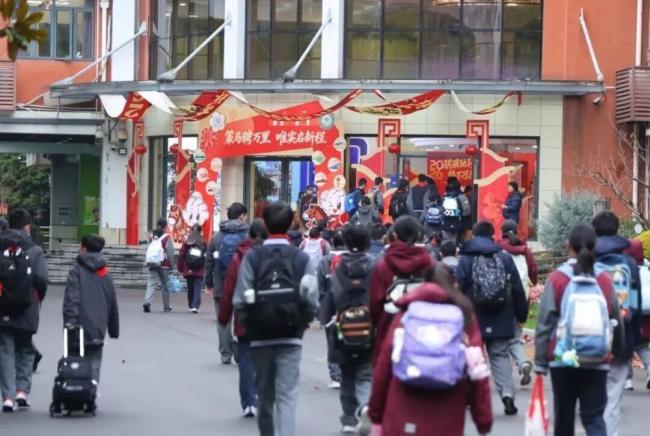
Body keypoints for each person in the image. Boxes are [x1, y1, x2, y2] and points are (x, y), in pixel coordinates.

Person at [366, 265, 493, 436]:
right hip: (447, 417)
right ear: (454, 284)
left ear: (424, 283)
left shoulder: (407, 314)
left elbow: (384, 367)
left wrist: (375, 414)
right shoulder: (463, 316)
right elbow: (477, 372)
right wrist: (483, 420)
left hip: (402, 415)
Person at [233, 201, 319, 436]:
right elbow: (312, 297)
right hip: (291, 335)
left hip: (260, 336)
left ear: (265, 224)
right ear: (291, 222)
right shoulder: (300, 258)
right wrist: (304, 320)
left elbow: (240, 299)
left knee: (265, 396)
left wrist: (249, 321)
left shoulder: (253, 257)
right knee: (287, 395)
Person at [535, 223, 624, 436]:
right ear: (595, 246)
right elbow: (615, 317)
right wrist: (617, 350)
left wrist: (540, 361)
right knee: (594, 418)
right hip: (596, 358)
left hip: (562, 359)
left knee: (564, 420)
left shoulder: (558, 278)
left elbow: (545, 322)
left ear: (568, 245)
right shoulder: (604, 279)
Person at [455, 221, 528, 416]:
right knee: (500, 355)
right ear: (492, 235)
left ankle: (470, 396)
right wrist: (521, 314)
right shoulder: (504, 258)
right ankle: (507, 393)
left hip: (473, 318)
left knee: (472, 356)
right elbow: (517, 289)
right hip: (501, 315)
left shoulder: (466, 259)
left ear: (474, 235)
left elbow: (458, 288)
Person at [319, 225, 375, 433]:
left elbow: (329, 299)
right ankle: (365, 406)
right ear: (368, 243)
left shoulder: (338, 269)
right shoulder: (375, 268)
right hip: (369, 329)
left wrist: (325, 318)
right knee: (366, 373)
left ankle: (349, 419)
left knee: (347, 375)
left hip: (344, 329)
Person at [591, 212, 642, 436]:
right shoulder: (629, 263)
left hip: (589, 337)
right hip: (621, 336)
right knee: (612, 399)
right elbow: (636, 304)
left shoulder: (586, 262)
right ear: (617, 229)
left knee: (591, 396)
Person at [219, 219, 268, 418]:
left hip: (245, 316)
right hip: (269, 316)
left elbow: (229, 289)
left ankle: (249, 401)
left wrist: (224, 316)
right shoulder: (272, 255)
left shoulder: (239, 257)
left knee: (246, 359)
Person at [0, 208, 48, 412]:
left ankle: (7, 397)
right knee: (26, 349)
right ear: (27, 227)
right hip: (28, 307)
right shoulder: (34, 250)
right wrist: (36, 299)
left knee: (5, 350)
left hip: (3, 306)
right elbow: (41, 280)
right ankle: (22, 392)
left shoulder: (2, 246)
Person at [369, 215, 433, 364]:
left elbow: (375, 303)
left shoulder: (383, 265)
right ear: (419, 235)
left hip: (390, 327)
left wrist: (377, 325)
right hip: (423, 329)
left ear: (394, 235)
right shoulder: (429, 264)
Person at [62, 234, 119, 385]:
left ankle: (75, 388)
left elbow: (72, 299)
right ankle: (91, 390)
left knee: (75, 359)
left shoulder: (76, 271)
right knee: (94, 361)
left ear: (84, 248)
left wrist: (69, 321)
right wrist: (113, 329)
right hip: (98, 326)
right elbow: (112, 303)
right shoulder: (105, 273)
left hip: (77, 326)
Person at [205, 202, 249, 365]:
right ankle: (240, 348)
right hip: (243, 284)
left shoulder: (217, 236)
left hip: (221, 283)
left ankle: (225, 353)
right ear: (241, 216)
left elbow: (209, 261)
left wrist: (208, 282)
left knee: (223, 320)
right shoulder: (248, 235)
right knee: (242, 319)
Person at [497, 219, 538, 386]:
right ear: (516, 231)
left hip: (501, 299)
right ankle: (522, 363)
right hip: (521, 298)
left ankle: (505, 373)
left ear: (502, 233)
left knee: (500, 339)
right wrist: (533, 284)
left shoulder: (498, 248)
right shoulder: (524, 250)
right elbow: (533, 270)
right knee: (515, 335)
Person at [317, 230, 347, 389]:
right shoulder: (352, 259)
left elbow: (319, 286)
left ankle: (335, 375)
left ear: (332, 243)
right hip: (350, 305)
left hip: (330, 305)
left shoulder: (325, 261)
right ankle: (348, 372)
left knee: (332, 340)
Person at [623, 239, 650, 390]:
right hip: (646, 316)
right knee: (643, 345)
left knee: (626, 346)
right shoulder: (647, 270)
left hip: (631, 312)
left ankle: (628, 380)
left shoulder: (626, 270)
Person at [143, 228, 175, 313]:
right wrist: (171, 266)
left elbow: (149, 249)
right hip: (163, 264)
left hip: (152, 263)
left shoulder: (151, 236)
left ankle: (147, 302)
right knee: (164, 285)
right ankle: (166, 306)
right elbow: (170, 253)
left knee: (151, 284)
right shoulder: (167, 237)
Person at [178, 223, 206, 313]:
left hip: (188, 267)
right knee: (197, 287)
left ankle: (190, 305)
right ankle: (195, 306)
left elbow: (181, 255)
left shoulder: (187, 241)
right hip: (199, 268)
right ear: (200, 231)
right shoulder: (203, 241)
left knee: (190, 287)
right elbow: (206, 255)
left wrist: (180, 268)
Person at [441, 178, 465, 244]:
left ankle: (446, 247)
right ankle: (453, 247)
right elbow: (461, 210)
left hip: (445, 221)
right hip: (456, 220)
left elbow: (441, 209)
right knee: (455, 236)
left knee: (446, 237)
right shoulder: (457, 198)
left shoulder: (443, 197)